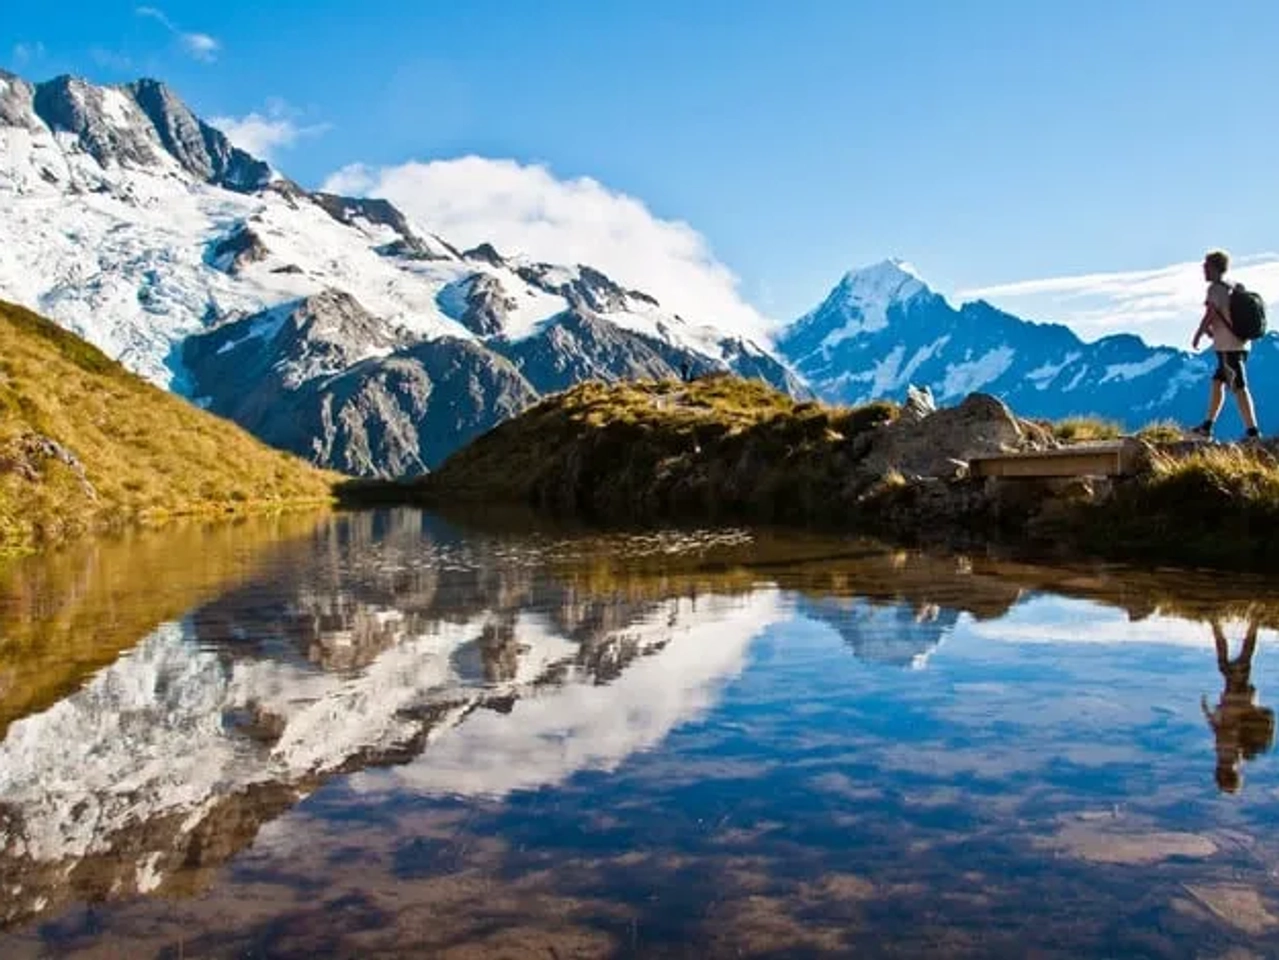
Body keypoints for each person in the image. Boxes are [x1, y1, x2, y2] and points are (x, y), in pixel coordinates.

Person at [1191, 249, 1261, 440]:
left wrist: (1199, 334)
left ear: (1213, 268)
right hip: (1241, 343)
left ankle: (1253, 431)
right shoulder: (1235, 285)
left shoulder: (1215, 289)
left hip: (1227, 347)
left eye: (1205, 267)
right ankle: (1207, 425)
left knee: (1238, 386)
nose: (1203, 270)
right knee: (1217, 382)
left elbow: (1210, 313)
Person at [1201, 615, 1274, 793]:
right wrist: (1210, 714)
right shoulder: (1233, 756)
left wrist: (1209, 713)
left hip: (1236, 699)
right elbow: (1224, 730)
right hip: (1238, 699)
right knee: (1237, 661)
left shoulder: (1230, 756)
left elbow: (1219, 730)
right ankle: (1246, 624)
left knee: (1236, 662)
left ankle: (1232, 625)